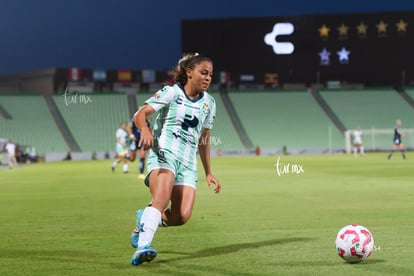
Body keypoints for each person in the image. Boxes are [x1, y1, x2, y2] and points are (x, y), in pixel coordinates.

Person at [129, 53, 221, 266]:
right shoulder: (171, 93)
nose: (208, 78)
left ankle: (145, 217)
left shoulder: (210, 103)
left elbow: (204, 140)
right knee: (161, 199)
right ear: (189, 72)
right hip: (165, 154)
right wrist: (145, 130)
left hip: (188, 163)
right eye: (203, 73)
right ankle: (143, 247)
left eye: (210, 75)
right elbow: (140, 114)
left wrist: (208, 172)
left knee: (181, 216)